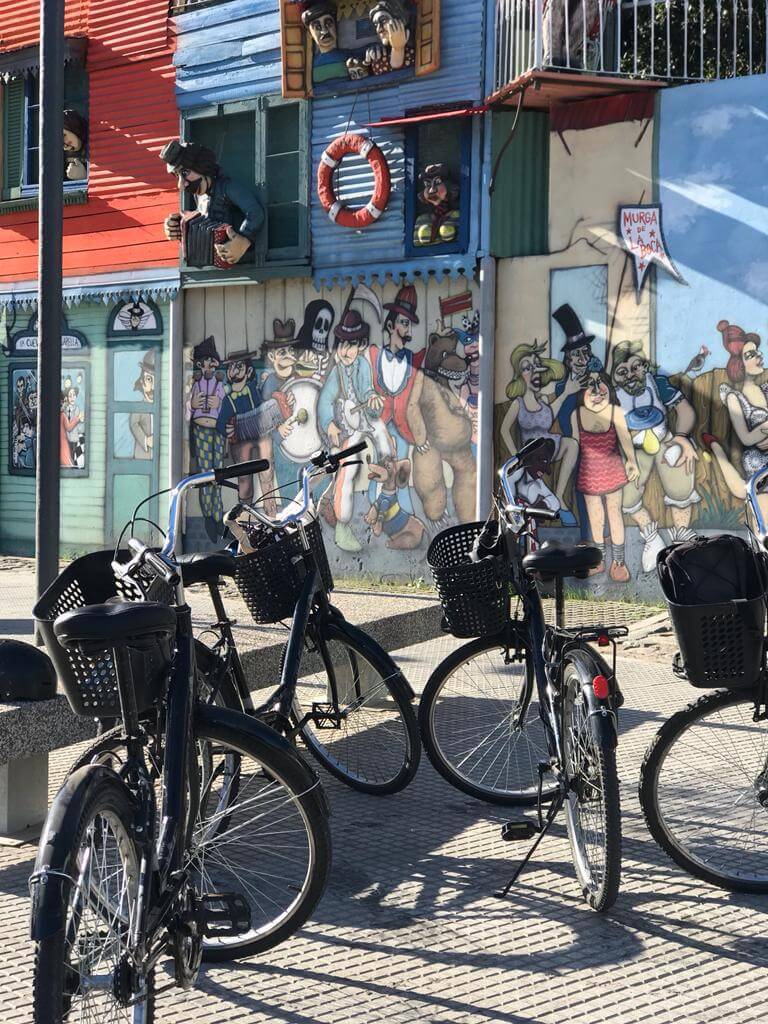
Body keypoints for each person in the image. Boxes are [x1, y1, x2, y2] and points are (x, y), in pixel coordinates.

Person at [611, 339, 699, 572]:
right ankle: (651, 537)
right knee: (627, 495)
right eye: (622, 371)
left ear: (645, 366)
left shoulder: (657, 384)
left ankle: (681, 540)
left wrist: (681, 437)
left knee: (680, 469)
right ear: (614, 376)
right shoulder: (612, 396)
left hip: (664, 439)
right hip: (633, 448)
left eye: (636, 367)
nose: (630, 375)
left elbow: (685, 411)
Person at [318, 311, 390, 553]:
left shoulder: (362, 366)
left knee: (382, 435)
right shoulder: (336, 371)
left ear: (360, 346)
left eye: (350, 344)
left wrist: (372, 400)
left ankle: (386, 478)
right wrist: (329, 424)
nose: (344, 350)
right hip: (346, 428)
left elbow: (367, 390)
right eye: (341, 344)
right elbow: (325, 401)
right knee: (348, 470)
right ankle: (343, 524)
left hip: (362, 419)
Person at [499, 341, 578, 525]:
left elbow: (550, 417)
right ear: (520, 376)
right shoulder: (518, 403)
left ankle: (559, 497)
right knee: (530, 488)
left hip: (550, 447)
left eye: (536, 365)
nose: (534, 370)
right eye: (527, 368)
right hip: (532, 454)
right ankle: (541, 509)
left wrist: (566, 393)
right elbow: (504, 429)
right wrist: (516, 457)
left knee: (572, 445)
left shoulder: (542, 400)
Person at [571, 370, 639, 582]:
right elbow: (575, 445)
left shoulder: (614, 412)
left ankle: (618, 563)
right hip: (589, 472)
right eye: (591, 384)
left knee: (614, 513)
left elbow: (625, 439)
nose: (596, 389)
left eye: (601, 383)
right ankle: (598, 560)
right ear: (582, 391)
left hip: (612, 470)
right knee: (596, 517)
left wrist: (632, 461)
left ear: (609, 389)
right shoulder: (577, 415)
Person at [160, 139, 264, 266]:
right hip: (213, 262)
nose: (181, 184)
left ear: (201, 166)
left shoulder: (227, 187)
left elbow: (255, 211)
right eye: (177, 176)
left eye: (185, 173)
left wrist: (243, 240)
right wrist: (180, 226)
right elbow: (204, 218)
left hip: (242, 264)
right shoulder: (199, 195)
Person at [368, 285, 423, 516]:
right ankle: (374, 505)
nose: (406, 327)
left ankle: (403, 509)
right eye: (402, 322)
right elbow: (365, 385)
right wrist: (370, 396)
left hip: (402, 425)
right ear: (390, 326)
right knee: (380, 468)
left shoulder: (414, 359)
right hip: (381, 422)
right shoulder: (374, 354)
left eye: (408, 323)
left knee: (401, 469)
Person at [187, 336, 226, 540]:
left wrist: (217, 402)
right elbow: (186, 411)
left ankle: (218, 517)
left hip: (217, 431)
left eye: (212, 363)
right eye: (204, 363)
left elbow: (225, 407)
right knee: (205, 475)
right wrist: (193, 404)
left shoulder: (219, 385)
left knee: (217, 475)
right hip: (200, 430)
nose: (208, 367)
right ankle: (209, 517)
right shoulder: (195, 384)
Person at [129, 351, 155, 461]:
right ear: (142, 381)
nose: (152, 387)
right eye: (149, 379)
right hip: (142, 455)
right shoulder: (139, 406)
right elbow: (133, 424)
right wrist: (146, 440)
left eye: (156, 380)